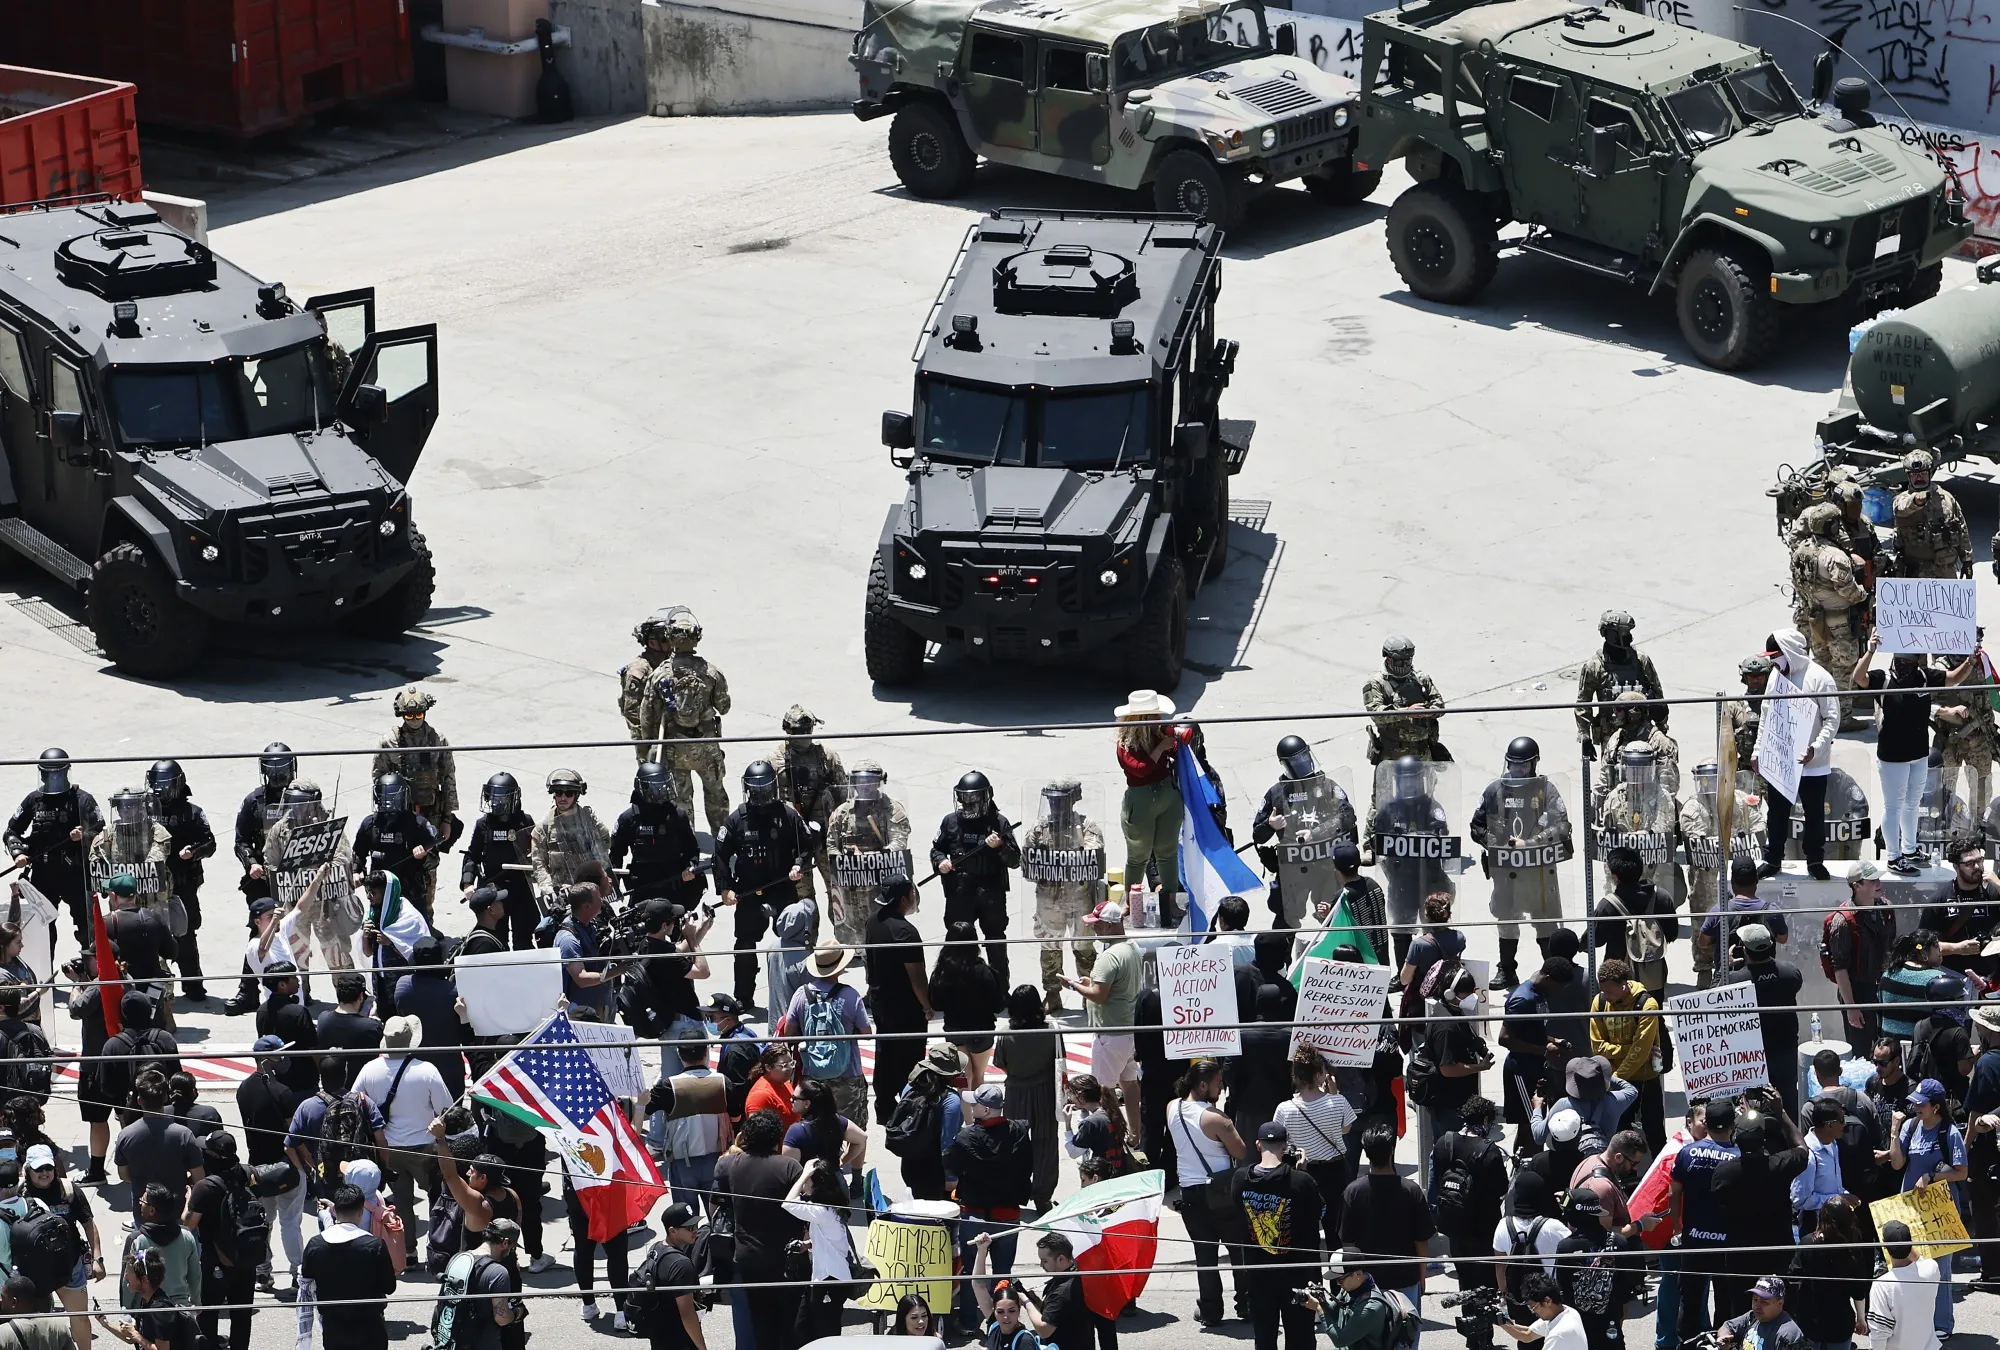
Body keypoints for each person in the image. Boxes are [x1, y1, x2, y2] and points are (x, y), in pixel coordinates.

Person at [714, 759, 817, 1008]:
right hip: (748, 891)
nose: (760, 795)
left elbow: (807, 845)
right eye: (755, 790)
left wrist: (798, 866)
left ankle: (799, 993)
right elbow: (720, 854)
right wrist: (726, 888)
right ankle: (743, 997)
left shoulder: (788, 815)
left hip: (782, 888)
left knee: (793, 940)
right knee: (744, 943)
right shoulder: (736, 820)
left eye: (764, 790)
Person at [1471, 736, 1572, 984]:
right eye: (1513, 765)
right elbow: (1476, 826)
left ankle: (1552, 973)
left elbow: (1562, 826)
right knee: (1506, 918)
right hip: (1505, 870)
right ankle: (1507, 969)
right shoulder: (1495, 790)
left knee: (1545, 922)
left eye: (1523, 766)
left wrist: (1531, 843)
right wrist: (1495, 843)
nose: (1517, 771)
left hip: (1538, 870)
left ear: (1534, 764)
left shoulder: (1546, 789)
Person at [349, 1015, 450, 1250]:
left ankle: (408, 1250)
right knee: (437, 1198)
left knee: (402, 1203)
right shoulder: (427, 1071)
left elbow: (353, 1102)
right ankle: (438, 1246)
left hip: (389, 1148)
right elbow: (445, 1107)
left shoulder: (369, 1070)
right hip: (425, 1147)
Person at [947, 1083, 1035, 1335]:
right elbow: (1028, 1166)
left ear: (985, 1109)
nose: (971, 1106)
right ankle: (1002, 1324)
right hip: (1008, 1216)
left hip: (975, 1216)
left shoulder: (966, 1138)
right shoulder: (1019, 1131)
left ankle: (968, 1322)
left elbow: (950, 1164)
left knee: (971, 1274)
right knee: (1002, 1274)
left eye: (975, 1104)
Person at [1229, 1120, 1323, 1350]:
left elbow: (1237, 1212)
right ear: (1285, 1147)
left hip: (1259, 1274)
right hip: (1298, 1274)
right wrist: (1301, 1172)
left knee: (1264, 1338)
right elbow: (1320, 1213)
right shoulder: (1301, 1181)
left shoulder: (1240, 1179)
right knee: (1301, 1338)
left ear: (1258, 1145)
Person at [714, 1108, 803, 1350]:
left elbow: (716, 1205)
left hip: (747, 1258)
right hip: (786, 1258)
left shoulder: (728, 1165)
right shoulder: (790, 1168)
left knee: (760, 1323)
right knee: (788, 1323)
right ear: (777, 1138)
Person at [1714, 1094, 1809, 1316]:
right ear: (1763, 1139)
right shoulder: (1779, 1165)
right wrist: (1781, 1112)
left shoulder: (1724, 1173)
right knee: (1778, 1313)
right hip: (1777, 1256)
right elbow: (1802, 1150)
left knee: (1742, 1314)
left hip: (1740, 1257)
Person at [1854, 639, 1944, 871]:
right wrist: (1870, 650)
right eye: (1900, 660)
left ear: (1916, 662)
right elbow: (1859, 678)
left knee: (1913, 803)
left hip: (1918, 753)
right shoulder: (1882, 678)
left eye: (1909, 661)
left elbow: (1953, 679)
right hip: (1892, 755)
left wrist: (1971, 661)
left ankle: (1910, 849)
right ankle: (1893, 857)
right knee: (1893, 805)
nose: (1903, 665)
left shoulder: (1924, 677)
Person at [1169, 1058, 1247, 1325]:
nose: (1221, 1087)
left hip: (1190, 1192)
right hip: (1221, 1191)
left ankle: (1211, 1311)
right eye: (1217, 1083)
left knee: (1205, 1256)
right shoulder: (1216, 1118)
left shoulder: (1172, 1108)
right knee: (1238, 1250)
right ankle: (1246, 1305)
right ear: (1203, 1085)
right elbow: (1240, 1152)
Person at [639, 608, 731, 833]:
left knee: (682, 800)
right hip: (706, 746)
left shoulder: (660, 674)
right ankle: (722, 839)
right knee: (716, 794)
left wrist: (647, 748)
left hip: (674, 748)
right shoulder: (711, 672)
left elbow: (647, 714)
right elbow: (724, 707)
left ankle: (688, 844)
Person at [1759, 629, 1841, 880]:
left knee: (1814, 814)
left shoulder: (1820, 678)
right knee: (1776, 814)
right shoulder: (1774, 677)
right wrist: (1757, 750)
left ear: (1789, 653)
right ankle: (1773, 859)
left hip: (1813, 765)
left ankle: (1815, 860)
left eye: (1775, 656)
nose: (1772, 662)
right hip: (1780, 761)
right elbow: (1766, 714)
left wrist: (1815, 749)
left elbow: (1832, 719)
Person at [1890, 1078, 1968, 1337]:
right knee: (1907, 1263)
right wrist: (1894, 1131)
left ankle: (1942, 1324)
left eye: (1921, 1104)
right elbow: (1897, 1164)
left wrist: (1933, 1177)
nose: (1915, 1109)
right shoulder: (1911, 1127)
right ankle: (1913, 1321)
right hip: (1910, 1208)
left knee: (1939, 1268)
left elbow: (1961, 1172)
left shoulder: (1949, 1132)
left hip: (1940, 1209)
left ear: (1935, 1107)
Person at [1063, 899, 1144, 1144]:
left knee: (1103, 1091)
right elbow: (1110, 988)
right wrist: (1089, 984)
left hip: (1110, 1035)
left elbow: (1100, 995)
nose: (1094, 929)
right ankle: (1134, 1135)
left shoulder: (1108, 958)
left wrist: (1075, 985)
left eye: (1097, 925)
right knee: (1130, 1086)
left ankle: (1114, 1137)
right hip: (1130, 1031)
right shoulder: (1133, 948)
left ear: (1109, 926)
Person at [932, 770, 1023, 983]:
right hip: (960, 889)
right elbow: (936, 849)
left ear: (985, 796)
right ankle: (955, 986)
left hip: (990, 888)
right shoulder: (950, 821)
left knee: (995, 940)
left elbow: (1015, 860)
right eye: (964, 797)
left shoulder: (999, 822)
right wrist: (941, 862)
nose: (968, 802)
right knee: (957, 939)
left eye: (973, 797)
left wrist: (1000, 846)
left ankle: (1000, 988)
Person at [7, 749, 103, 948]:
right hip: (43, 874)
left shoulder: (82, 799)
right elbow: (11, 831)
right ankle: (46, 977)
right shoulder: (34, 799)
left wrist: (84, 835)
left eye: (58, 774)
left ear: (67, 771)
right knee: (44, 932)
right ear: (41, 774)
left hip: (76, 874)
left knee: (88, 929)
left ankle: (91, 972)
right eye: (49, 774)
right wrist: (18, 853)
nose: (54, 779)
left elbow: (101, 832)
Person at [1341, 1123, 1433, 1330]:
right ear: (1392, 1150)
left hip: (1366, 1282)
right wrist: (1422, 1275)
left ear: (1365, 1153)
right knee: (1406, 1337)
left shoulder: (1353, 1192)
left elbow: (1348, 1241)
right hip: (1406, 1279)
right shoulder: (1411, 1190)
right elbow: (1422, 1240)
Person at [1428, 1095, 1506, 1337]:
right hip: (1482, 1230)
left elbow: (1436, 1180)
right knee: (1484, 1285)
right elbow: (1501, 1189)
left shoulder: (1444, 1142)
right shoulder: (1489, 1151)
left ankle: (1470, 1331)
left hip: (1454, 1225)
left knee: (1464, 1279)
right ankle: (1482, 1336)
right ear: (1484, 1120)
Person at [142, 760, 214, 1003]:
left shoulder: (192, 812)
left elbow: (209, 842)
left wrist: (193, 851)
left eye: (166, 785)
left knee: (186, 931)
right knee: (149, 932)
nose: (161, 790)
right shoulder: (144, 809)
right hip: (150, 883)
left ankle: (193, 983)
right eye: (157, 785)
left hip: (182, 883)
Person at [823, 759, 910, 950]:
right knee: (855, 932)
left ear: (879, 782)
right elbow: (831, 844)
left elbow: (900, 839)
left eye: (870, 781)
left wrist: (879, 856)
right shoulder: (842, 813)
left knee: (884, 932)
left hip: (880, 882)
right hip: (852, 885)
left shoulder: (891, 808)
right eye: (861, 781)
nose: (865, 786)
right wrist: (844, 859)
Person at [1721, 925, 1808, 1117]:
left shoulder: (1735, 980)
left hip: (1752, 1055)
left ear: (1743, 949)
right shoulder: (1790, 972)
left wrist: (1726, 968)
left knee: (1753, 1104)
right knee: (1787, 1098)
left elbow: (1715, 1000)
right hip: (1786, 1048)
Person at [1672, 1097, 1741, 1337]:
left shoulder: (1686, 1153)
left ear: (1706, 1123)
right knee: (1726, 1300)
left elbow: (1675, 1192)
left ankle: (1688, 1343)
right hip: (1727, 1243)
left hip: (1694, 1240)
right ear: (1733, 1126)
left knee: (1689, 1300)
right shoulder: (1739, 1158)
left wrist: (1676, 1228)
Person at [864, 877, 932, 1121]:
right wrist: (927, 1006)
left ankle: (883, 1105)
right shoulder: (906, 932)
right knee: (910, 1057)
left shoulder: (873, 921)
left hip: (881, 1002)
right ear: (904, 899)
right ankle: (909, 1105)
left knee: (885, 1053)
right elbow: (917, 977)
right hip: (905, 1008)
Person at [298, 1184, 398, 1350]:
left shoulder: (316, 1244)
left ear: (335, 1210)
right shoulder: (374, 1245)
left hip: (333, 1327)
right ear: (361, 1211)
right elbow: (389, 1286)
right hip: (370, 1326)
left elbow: (307, 1280)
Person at [1275, 1049, 1357, 1250]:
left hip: (1304, 1172)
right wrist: (1334, 1092)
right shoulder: (1338, 1101)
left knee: (1306, 1232)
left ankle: (1310, 1279)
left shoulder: (1284, 1109)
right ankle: (1339, 1279)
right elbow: (1346, 1129)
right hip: (1336, 1171)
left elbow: (1280, 1143)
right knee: (1336, 1232)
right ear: (1320, 1074)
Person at [24, 1143, 102, 1350]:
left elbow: (88, 1224)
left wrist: (98, 1259)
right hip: (35, 1271)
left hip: (70, 1266)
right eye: (38, 1169)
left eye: (48, 1168)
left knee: (80, 1319)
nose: (44, 1173)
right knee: (35, 1324)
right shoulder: (20, 1195)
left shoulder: (68, 1190)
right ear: (27, 1170)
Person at [1113, 690, 1183, 923]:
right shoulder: (1124, 744)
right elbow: (1139, 769)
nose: (1158, 720)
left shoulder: (1159, 733)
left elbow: (1176, 748)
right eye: (1153, 716)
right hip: (1141, 801)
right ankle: (1131, 904)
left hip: (1166, 796)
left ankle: (1170, 902)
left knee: (1167, 853)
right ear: (1139, 719)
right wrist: (1161, 748)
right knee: (1138, 857)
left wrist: (1176, 739)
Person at [1418, 967, 1492, 1184]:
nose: (1471, 998)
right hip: (1448, 1104)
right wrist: (1479, 1068)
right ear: (1450, 994)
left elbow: (1467, 1037)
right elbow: (1447, 1068)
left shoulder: (1452, 1011)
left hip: (1459, 1101)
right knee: (1446, 1157)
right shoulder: (1445, 1027)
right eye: (1466, 994)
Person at [184, 1133, 255, 1350]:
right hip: (246, 1255)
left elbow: (189, 1223)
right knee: (242, 1314)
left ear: (212, 1156)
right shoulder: (248, 1173)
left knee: (208, 1313)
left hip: (216, 1260)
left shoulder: (205, 1187)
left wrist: (189, 1196)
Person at [995, 984, 1061, 1212]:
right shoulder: (1052, 1031)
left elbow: (1000, 1063)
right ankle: (1042, 1195)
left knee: (1013, 1143)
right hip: (1045, 1093)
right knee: (1046, 1143)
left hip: (1016, 1092)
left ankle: (1014, 1190)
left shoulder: (1005, 1034)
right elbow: (1059, 1062)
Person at [1587, 959, 1664, 1153]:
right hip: (1616, 1082)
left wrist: (1616, 1077)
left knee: (1654, 1131)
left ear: (1624, 986)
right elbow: (1597, 1047)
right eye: (1602, 990)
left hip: (1645, 1080)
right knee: (1619, 1133)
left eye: (1609, 991)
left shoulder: (1647, 1005)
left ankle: (1662, 1175)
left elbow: (1641, 1051)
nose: (1605, 995)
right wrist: (1628, 1049)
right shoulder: (1600, 1002)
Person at [1553, 1186, 1642, 1350]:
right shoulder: (1619, 1242)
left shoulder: (1565, 1247)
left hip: (1578, 1324)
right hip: (1611, 1322)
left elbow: (1563, 1287)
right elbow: (1627, 1285)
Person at [458, 772, 539, 950]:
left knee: (524, 941)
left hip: (520, 887)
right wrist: (467, 883)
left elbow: (537, 853)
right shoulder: (483, 824)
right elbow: (472, 855)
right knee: (496, 941)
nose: (496, 802)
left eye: (501, 798)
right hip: (493, 890)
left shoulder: (524, 821)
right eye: (493, 797)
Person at [1500, 958, 1572, 1153]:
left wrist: (1554, 1040)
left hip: (1536, 1069)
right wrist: (1544, 1050)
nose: (1560, 991)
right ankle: (1526, 1170)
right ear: (1548, 978)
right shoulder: (1523, 1000)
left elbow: (1532, 1031)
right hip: (1521, 1072)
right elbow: (1505, 1039)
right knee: (1530, 1128)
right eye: (1560, 986)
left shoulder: (1539, 993)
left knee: (1534, 1124)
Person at [610, 763, 704, 906]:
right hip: (642, 887)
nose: (662, 791)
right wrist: (612, 885)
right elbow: (616, 854)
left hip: (674, 884)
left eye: (664, 785)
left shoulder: (678, 816)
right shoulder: (628, 819)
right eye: (656, 787)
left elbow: (691, 849)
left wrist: (690, 867)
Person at [1788, 1193, 1872, 1350]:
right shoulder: (1851, 1249)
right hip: (1839, 1323)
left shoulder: (1807, 1242)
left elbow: (1793, 1277)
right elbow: (1859, 1290)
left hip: (1810, 1319)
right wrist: (1861, 1318)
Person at [1824, 863, 1895, 1045]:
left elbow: (1891, 948)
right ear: (1857, 886)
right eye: (1872, 881)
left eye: (1878, 879)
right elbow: (1839, 967)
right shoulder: (1842, 921)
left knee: (1887, 1048)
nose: (1878, 883)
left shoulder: (1886, 909)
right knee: (1861, 1052)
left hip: (1884, 988)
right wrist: (1852, 1007)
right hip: (1858, 992)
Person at [113, 1073, 203, 1214]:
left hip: (143, 1210)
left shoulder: (126, 1135)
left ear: (139, 1100)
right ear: (166, 1098)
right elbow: (199, 1177)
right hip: (177, 1209)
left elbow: (123, 1175)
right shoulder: (184, 1135)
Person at [660, 1039, 731, 1216]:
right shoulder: (722, 1081)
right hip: (716, 1159)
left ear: (679, 1054)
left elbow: (646, 1107)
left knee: (687, 1221)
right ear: (706, 1053)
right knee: (719, 1217)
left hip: (683, 1163)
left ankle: (690, 1245)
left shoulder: (669, 1085)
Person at [930, 923, 1007, 1086]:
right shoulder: (984, 971)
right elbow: (998, 1005)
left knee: (963, 1080)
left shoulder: (942, 971)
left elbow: (935, 1003)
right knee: (978, 1076)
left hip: (954, 1030)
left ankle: (964, 1112)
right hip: (981, 1030)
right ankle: (977, 1110)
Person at [1018, 1230, 1111, 1350]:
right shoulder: (1075, 1276)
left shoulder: (1063, 1290)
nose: (1041, 1265)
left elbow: (1044, 1329)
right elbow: (1058, 1314)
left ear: (1061, 1259)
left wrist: (1026, 1301)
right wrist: (1035, 1302)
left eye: (1045, 1261)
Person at [1301, 1247, 1407, 1350]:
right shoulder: (1352, 1289)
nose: (1338, 1284)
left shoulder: (1371, 1307)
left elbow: (1340, 1340)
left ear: (1358, 1274)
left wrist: (1319, 1309)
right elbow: (1335, 1313)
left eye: (1340, 1280)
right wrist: (1321, 1300)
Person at [632, 1203, 706, 1350]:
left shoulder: (657, 1248)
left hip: (659, 1334)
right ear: (672, 1231)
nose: (695, 1231)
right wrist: (702, 1347)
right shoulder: (682, 1265)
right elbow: (687, 1314)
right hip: (678, 1338)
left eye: (696, 1225)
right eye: (690, 1228)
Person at [529, 769, 612, 897]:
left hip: (588, 893)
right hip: (560, 894)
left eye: (568, 793)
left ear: (576, 796)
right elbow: (539, 864)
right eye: (559, 792)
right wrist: (550, 890)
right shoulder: (543, 829)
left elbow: (602, 856)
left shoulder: (590, 822)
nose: (563, 798)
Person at [1496, 1171, 1572, 1303]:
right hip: (1548, 1303)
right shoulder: (1553, 1227)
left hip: (1519, 1301)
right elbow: (1575, 1244)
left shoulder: (1503, 1225)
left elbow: (1499, 1266)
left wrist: (1504, 1294)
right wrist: (1566, 1209)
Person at [1699, 861, 1791, 968]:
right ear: (1757, 879)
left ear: (1732, 881)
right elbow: (1782, 939)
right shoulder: (1772, 911)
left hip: (1730, 979)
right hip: (1764, 978)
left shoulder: (1719, 911)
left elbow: (1703, 943)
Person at [1869, 1220, 1944, 1350]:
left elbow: (1879, 1331)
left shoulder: (1882, 1285)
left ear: (1885, 1248)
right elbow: (1919, 1259)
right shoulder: (1931, 1268)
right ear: (1911, 1243)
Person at [120, 1184, 198, 1308]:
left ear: (152, 1210)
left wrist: (126, 1308)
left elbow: (128, 1280)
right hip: (180, 1307)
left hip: (147, 1309)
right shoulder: (187, 1237)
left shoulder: (137, 1240)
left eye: (143, 1201)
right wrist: (196, 1301)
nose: (140, 1203)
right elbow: (195, 1275)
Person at [98, 1249, 193, 1350]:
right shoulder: (147, 1300)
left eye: (129, 1273)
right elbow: (131, 1339)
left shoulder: (160, 1310)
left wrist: (135, 1334)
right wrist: (105, 1323)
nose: (125, 1276)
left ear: (144, 1279)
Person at [968, 1240, 1043, 1350]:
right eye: (1000, 1311)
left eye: (1011, 1310)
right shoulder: (995, 1325)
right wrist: (982, 1250)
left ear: (1019, 1309)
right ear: (994, 1311)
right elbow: (978, 1286)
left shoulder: (1024, 1341)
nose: (1006, 1317)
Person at [1790, 1098, 1850, 1230]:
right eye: (1841, 1120)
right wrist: (1838, 1199)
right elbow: (1800, 1200)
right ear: (1829, 1125)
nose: (1844, 1124)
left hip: (1836, 1225)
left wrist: (1845, 1196)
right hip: (1816, 1229)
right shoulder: (1809, 1155)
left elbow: (1834, 1186)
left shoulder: (1833, 1144)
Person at [1500, 1273, 1588, 1350]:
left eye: (1533, 1307)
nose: (1533, 1311)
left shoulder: (1559, 1335)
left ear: (1547, 1301)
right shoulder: (1568, 1312)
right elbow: (1527, 1334)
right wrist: (1501, 1321)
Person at [1718, 1276, 1806, 1350]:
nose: (1757, 1306)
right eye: (1755, 1300)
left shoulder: (1788, 1335)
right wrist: (1724, 1338)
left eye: (1764, 1302)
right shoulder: (1752, 1316)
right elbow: (1728, 1326)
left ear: (1780, 1303)